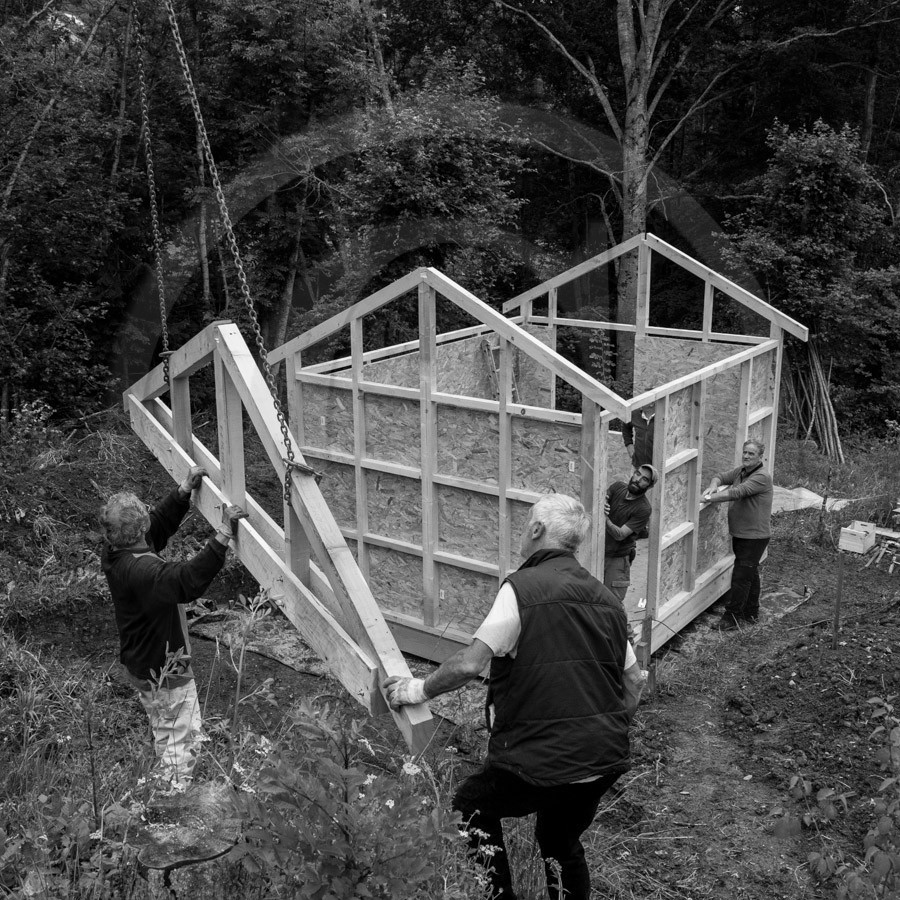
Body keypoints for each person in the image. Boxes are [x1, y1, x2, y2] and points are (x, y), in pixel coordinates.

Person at [383, 493, 645, 900]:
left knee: (469, 805)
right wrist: (603, 729)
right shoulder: (607, 599)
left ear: (537, 530)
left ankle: (498, 896)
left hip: (541, 760)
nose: (524, 532)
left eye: (527, 524)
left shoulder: (521, 588)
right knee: (560, 843)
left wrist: (413, 689)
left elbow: (471, 664)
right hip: (603, 758)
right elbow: (634, 682)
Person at [99, 466, 247, 790]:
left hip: (142, 666)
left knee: (166, 730)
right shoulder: (144, 572)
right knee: (185, 738)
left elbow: (157, 528)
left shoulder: (116, 554)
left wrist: (182, 493)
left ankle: (164, 784)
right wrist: (222, 535)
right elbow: (186, 580)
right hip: (164, 668)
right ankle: (172, 803)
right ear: (140, 529)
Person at [701, 439, 773, 631]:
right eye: (745, 452)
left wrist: (707, 498)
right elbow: (720, 476)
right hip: (742, 534)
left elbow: (737, 492)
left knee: (741, 576)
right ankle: (751, 612)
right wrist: (713, 485)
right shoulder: (742, 471)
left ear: (760, 457)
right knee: (750, 573)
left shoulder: (761, 477)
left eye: (751, 453)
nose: (747, 456)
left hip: (754, 536)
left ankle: (731, 618)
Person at [603, 464, 658, 604]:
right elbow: (603, 498)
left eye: (644, 479)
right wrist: (602, 503)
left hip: (617, 558)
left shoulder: (644, 509)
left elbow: (620, 534)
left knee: (613, 602)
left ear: (649, 486)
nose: (638, 479)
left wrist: (603, 517)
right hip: (598, 551)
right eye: (637, 474)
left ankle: (623, 626)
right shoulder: (617, 487)